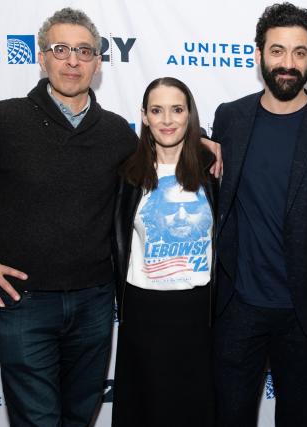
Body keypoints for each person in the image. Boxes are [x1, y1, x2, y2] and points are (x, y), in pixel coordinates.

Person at [0, 8, 138, 426]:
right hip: (23, 302)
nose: (73, 60)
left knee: (80, 417)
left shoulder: (117, 133)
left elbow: (164, 166)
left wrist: (203, 142)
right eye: (61, 49)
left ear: (99, 62)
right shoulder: (4, 120)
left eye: (84, 51)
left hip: (95, 302)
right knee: (36, 420)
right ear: (41, 57)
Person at [211, 3, 307, 426]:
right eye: (277, 51)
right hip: (235, 306)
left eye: (300, 53)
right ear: (259, 53)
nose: (288, 63)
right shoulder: (230, 118)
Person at [111, 77, 218, 427]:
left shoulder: (212, 170)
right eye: (157, 110)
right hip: (144, 311)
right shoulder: (127, 174)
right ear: (144, 116)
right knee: (145, 412)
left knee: (194, 412)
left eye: (177, 109)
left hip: (198, 312)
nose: (167, 120)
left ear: (189, 115)